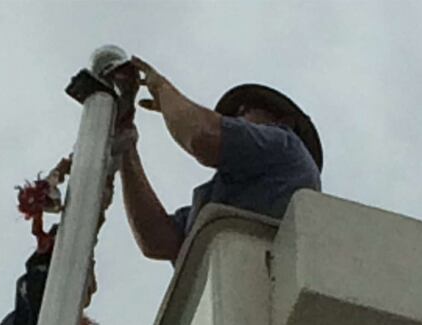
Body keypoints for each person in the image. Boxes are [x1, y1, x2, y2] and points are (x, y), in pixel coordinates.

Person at [115, 56, 323, 262]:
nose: (235, 120)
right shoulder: (219, 200)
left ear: (283, 122)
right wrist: (127, 145)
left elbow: (201, 136)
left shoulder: (285, 144)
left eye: (244, 111)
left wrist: (162, 88)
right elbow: (158, 242)